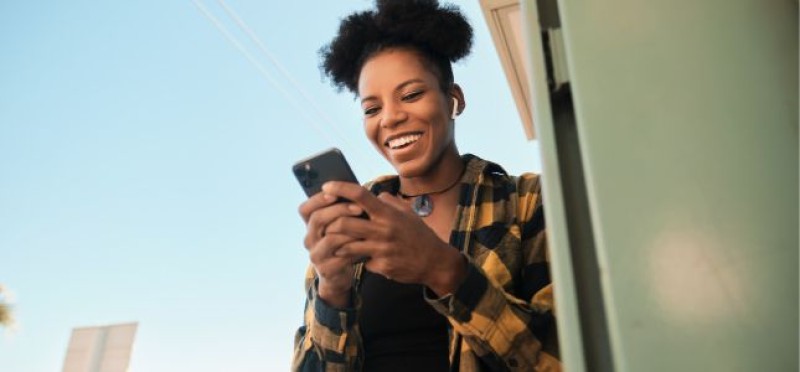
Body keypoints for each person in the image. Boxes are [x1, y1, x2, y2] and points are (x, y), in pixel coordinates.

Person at [292, 1, 559, 370]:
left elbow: (565, 356)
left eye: (411, 94)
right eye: (372, 109)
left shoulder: (529, 202)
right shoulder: (348, 229)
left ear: (454, 100)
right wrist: (331, 291)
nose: (391, 118)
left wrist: (442, 269)